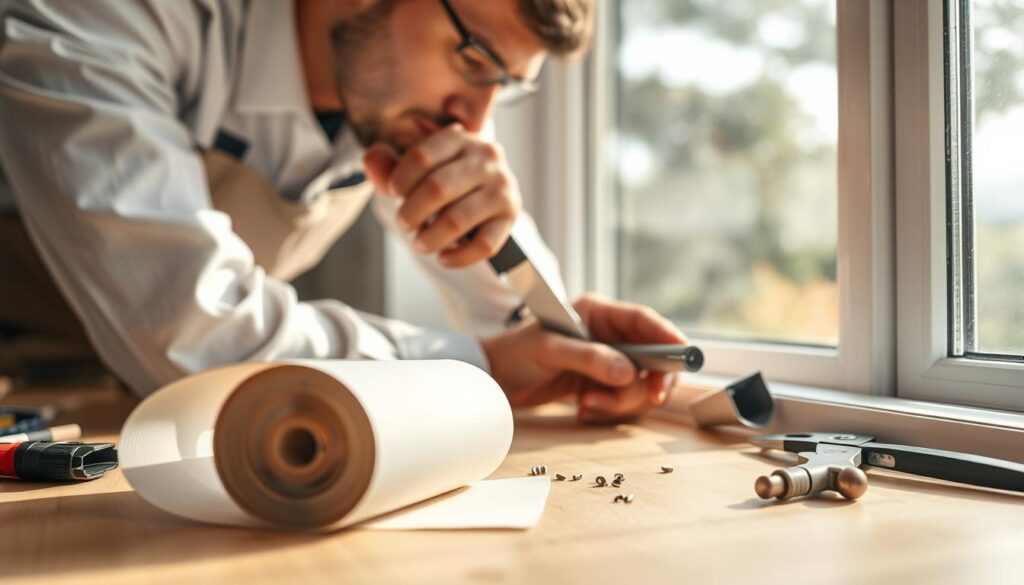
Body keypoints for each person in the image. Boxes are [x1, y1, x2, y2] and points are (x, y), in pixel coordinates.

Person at [0, 0, 689, 423]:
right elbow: (190, 330)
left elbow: (506, 321)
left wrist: (562, 329)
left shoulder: (405, 94)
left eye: (505, 88)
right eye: (475, 60)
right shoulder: (108, 16)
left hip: (158, 427)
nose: (477, 121)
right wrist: (471, 368)